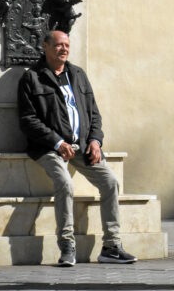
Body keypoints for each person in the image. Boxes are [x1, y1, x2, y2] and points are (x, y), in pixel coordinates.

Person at [18, 29, 137, 266]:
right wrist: (57, 142)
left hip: (82, 146)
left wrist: (95, 140)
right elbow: (27, 120)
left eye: (67, 45)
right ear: (46, 46)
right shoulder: (32, 78)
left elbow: (94, 113)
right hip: (50, 148)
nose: (64, 49)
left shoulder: (78, 75)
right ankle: (67, 245)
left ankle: (112, 246)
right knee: (64, 183)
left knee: (111, 182)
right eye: (59, 45)